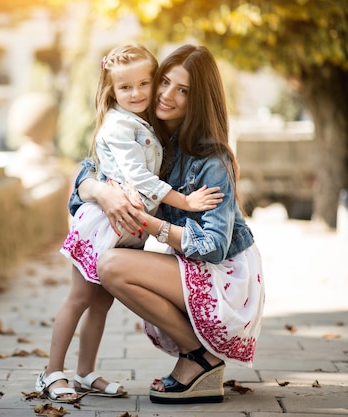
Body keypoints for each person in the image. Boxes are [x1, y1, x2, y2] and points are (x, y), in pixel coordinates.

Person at [71, 44, 266, 404]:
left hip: (225, 274)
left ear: (199, 100)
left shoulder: (212, 159)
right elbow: (86, 173)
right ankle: (197, 357)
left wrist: (149, 225)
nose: (165, 95)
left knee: (112, 266)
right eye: (164, 82)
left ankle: (199, 357)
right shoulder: (144, 134)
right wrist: (101, 192)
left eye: (183, 90)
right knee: (109, 266)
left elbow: (213, 247)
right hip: (189, 265)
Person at [35, 43, 224, 403]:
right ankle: (51, 373)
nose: (137, 93)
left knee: (101, 304)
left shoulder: (143, 122)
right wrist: (184, 201)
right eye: (126, 87)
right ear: (112, 91)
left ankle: (86, 372)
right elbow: (138, 177)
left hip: (124, 228)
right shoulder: (120, 126)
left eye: (144, 83)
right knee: (78, 298)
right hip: (104, 224)